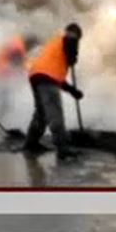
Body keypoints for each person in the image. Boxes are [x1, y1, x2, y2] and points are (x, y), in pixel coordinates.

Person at [24, 23, 84, 160]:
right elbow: (71, 37)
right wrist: (73, 54)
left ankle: (31, 143)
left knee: (41, 113)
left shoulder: (55, 47)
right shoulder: (68, 39)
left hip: (36, 75)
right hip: (45, 78)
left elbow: (57, 78)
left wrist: (72, 90)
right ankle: (63, 149)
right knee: (55, 113)